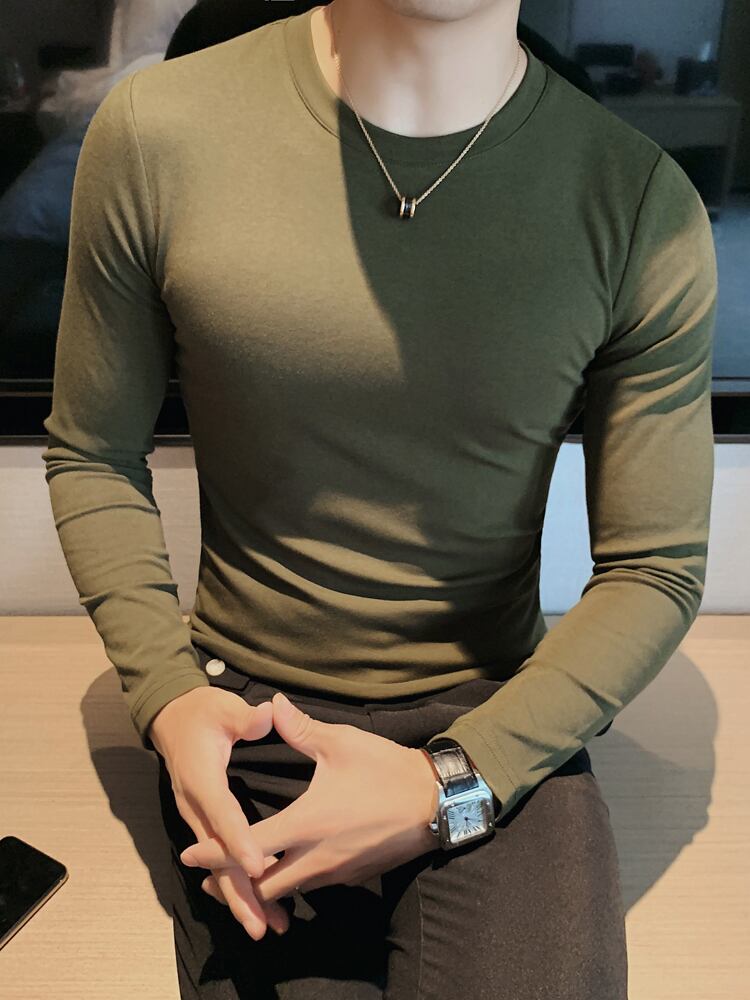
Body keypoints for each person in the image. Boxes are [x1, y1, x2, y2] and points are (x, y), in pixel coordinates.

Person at [41, 0, 717, 997]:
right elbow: (95, 452)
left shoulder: (636, 202)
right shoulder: (157, 132)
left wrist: (451, 780)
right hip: (246, 717)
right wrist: (168, 696)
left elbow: (654, 567)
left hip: (496, 720)